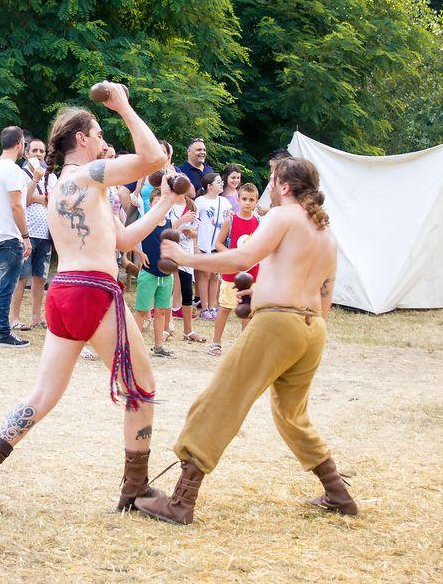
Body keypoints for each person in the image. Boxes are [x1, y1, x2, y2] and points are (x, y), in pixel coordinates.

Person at [0, 84, 183, 512]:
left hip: (64, 293)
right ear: (81, 139)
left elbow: (122, 239)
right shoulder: (90, 175)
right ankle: (134, 489)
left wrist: (165, 204)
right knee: (142, 386)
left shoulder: (66, 185)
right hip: (93, 292)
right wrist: (123, 106)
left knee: (42, 394)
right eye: (98, 134)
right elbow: (154, 158)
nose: (103, 142)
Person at [136, 157, 357, 525]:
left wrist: (183, 256)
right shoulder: (325, 233)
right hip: (312, 329)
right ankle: (337, 492)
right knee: (292, 415)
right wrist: (264, 298)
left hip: (280, 324)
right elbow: (322, 294)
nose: (270, 185)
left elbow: (242, 257)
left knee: (220, 400)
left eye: (273, 180)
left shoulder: (281, 216)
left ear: (285, 186)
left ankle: (181, 501)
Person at [0, 126, 32, 348]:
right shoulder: (13, 171)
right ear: (20, 143)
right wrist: (25, 236)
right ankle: (2, 331)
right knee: (6, 286)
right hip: (10, 235)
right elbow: (16, 206)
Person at [209, 183, 261, 355]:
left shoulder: (259, 223)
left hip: (252, 274)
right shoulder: (230, 220)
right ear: (237, 199)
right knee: (225, 308)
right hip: (231, 274)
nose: (247, 202)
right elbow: (218, 244)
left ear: (256, 202)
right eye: (244, 199)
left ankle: (244, 346)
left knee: (248, 311)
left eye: (251, 200)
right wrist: (234, 254)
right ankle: (215, 343)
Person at [10, 138, 55, 331]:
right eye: (35, 150)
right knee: (22, 276)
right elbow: (23, 201)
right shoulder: (20, 174)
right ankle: (15, 317)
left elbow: (53, 200)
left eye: (42, 151)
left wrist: (41, 198)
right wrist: (35, 181)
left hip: (46, 233)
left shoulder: (51, 176)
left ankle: (37, 316)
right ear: (27, 153)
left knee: (40, 276)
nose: (38, 154)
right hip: (26, 233)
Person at [133, 187, 175, 357]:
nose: (159, 206)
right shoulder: (145, 222)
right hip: (149, 273)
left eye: (162, 203)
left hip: (166, 275)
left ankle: (158, 347)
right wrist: (139, 253)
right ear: (150, 205)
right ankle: (133, 347)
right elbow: (127, 238)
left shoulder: (170, 224)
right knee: (142, 311)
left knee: (162, 311)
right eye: (156, 203)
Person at [167, 194, 205, 344]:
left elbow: (197, 231)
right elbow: (166, 226)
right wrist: (182, 220)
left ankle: (188, 330)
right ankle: (166, 327)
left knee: (188, 291)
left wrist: (191, 233)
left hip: (186, 252)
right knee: (168, 290)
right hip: (170, 250)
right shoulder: (168, 204)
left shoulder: (192, 205)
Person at [193, 172, 229, 319]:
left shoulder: (225, 202)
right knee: (204, 275)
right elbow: (194, 224)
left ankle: (213, 306)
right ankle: (205, 307)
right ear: (209, 186)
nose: (221, 184)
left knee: (215, 276)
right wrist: (195, 246)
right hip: (203, 242)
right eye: (218, 182)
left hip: (217, 244)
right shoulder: (200, 201)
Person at [258, 149, 292, 215]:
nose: (271, 170)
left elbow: (290, 212)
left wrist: (269, 211)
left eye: (273, 167)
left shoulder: (293, 184)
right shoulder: (279, 181)